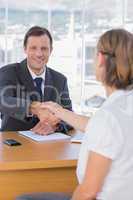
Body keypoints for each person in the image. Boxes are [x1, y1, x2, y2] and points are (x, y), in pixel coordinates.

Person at [17, 28, 133, 200]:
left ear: (100, 59)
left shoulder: (108, 117)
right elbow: (99, 126)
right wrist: (59, 111)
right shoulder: (122, 107)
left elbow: (88, 192)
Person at [0, 26, 72, 134]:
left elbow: (69, 115)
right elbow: (3, 100)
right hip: (14, 144)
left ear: (51, 50)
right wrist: (34, 108)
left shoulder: (60, 80)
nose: (39, 54)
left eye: (44, 48)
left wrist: (55, 126)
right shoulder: (8, 72)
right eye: (33, 48)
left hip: (50, 145)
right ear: (25, 49)